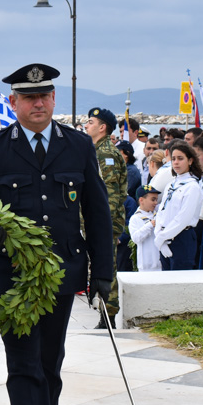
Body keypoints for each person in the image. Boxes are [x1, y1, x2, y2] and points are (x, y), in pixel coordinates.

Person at [0, 63, 113, 405]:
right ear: (13, 102)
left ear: (53, 99)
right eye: (29, 98)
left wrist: (103, 272)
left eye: (45, 96)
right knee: (23, 365)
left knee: (50, 363)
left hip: (62, 272)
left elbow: (97, 213)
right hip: (13, 276)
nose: (38, 104)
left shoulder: (78, 145)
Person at [84, 107, 127, 327]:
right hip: (98, 223)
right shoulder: (96, 150)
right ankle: (104, 313)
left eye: (91, 122)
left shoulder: (105, 154)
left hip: (104, 224)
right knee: (98, 267)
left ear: (102, 128)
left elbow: (110, 196)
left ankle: (108, 317)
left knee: (106, 267)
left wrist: (102, 227)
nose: (86, 125)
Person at [153, 140, 203, 270]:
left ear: (190, 161)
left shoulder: (192, 187)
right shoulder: (171, 184)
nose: (176, 162)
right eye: (173, 159)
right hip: (165, 237)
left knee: (180, 279)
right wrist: (159, 235)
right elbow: (162, 211)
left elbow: (183, 218)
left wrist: (162, 237)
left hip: (182, 238)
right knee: (166, 278)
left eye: (180, 159)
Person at [129, 184, 162, 271]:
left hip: (161, 263)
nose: (155, 203)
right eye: (153, 199)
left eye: (156, 199)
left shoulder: (158, 215)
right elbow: (136, 238)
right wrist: (150, 225)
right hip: (146, 265)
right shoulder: (135, 218)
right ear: (141, 200)